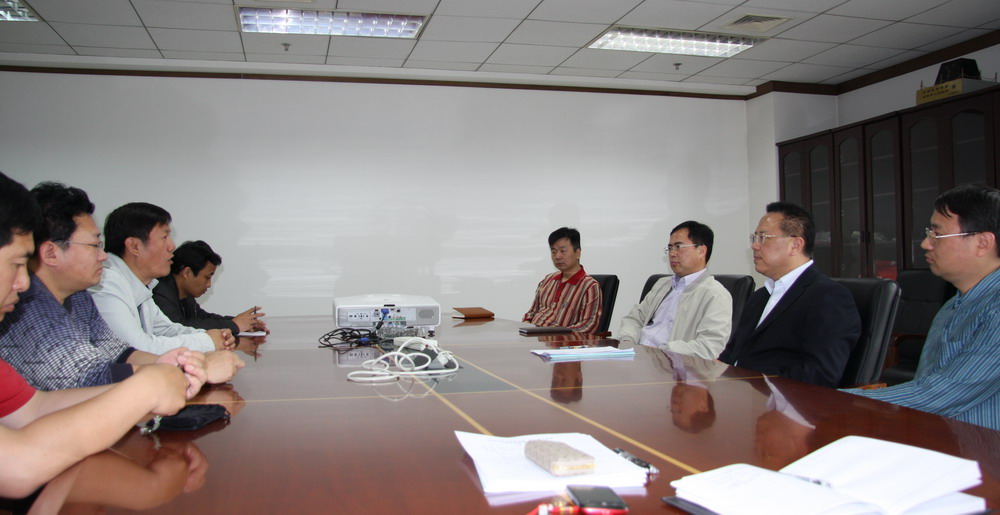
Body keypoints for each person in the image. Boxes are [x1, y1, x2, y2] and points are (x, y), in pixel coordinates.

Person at [0, 171, 197, 499]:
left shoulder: (78, 295)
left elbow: (34, 408)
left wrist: (167, 371)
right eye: (17, 264)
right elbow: (19, 465)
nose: (22, 283)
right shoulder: (29, 305)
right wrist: (150, 384)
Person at [0, 183, 241, 390]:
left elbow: (120, 353)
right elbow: (89, 378)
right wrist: (195, 368)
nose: (103, 256)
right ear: (51, 253)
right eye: (94, 245)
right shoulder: (27, 306)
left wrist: (182, 360)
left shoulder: (80, 297)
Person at [844, 184, 1000, 431]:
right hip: (939, 438)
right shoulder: (953, 305)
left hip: (982, 449)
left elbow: (944, 394)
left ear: (982, 242)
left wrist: (838, 400)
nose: (926, 244)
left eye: (937, 234)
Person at [718, 202, 860, 388]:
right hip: (738, 392)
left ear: (795, 245)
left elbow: (819, 374)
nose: (754, 245)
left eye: (763, 237)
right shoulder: (760, 296)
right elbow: (733, 352)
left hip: (780, 400)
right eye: (754, 237)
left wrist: (751, 386)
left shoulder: (828, 297)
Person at [90, 203, 237, 354]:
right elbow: (136, 349)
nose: (172, 246)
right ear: (134, 246)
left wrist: (214, 336)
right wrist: (207, 341)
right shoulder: (106, 284)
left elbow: (166, 330)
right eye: (164, 237)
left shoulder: (141, 285)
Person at [616, 221, 732, 359]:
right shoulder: (662, 285)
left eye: (678, 247)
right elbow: (634, 319)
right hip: (638, 357)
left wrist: (662, 352)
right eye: (670, 248)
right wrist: (627, 342)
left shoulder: (715, 295)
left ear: (701, 251)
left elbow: (708, 346)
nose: (672, 254)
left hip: (672, 365)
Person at [152, 240, 267, 335]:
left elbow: (202, 318)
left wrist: (240, 322)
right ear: (187, 272)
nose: (209, 284)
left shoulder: (185, 295)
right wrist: (234, 325)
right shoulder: (159, 291)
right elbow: (178, 327)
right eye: (207, 277)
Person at [522, 227, 602, 333]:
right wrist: (525, 327)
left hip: (560, 340)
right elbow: (531, 313)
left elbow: (589, 325)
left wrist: (556, 334)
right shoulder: (548, 280)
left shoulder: (589, 286)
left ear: (578, 253)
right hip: (533, 336)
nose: (557, 256)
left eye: (563, 251)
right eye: (553, 252)